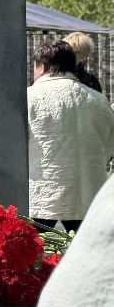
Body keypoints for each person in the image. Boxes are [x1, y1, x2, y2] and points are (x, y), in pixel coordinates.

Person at [28, 39, 114, 232]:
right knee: (87, 257)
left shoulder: (28, 97)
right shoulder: (98, 99)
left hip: (43, 195)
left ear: (41, 66)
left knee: (36, 254)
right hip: (89, 194)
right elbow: (109, 146)